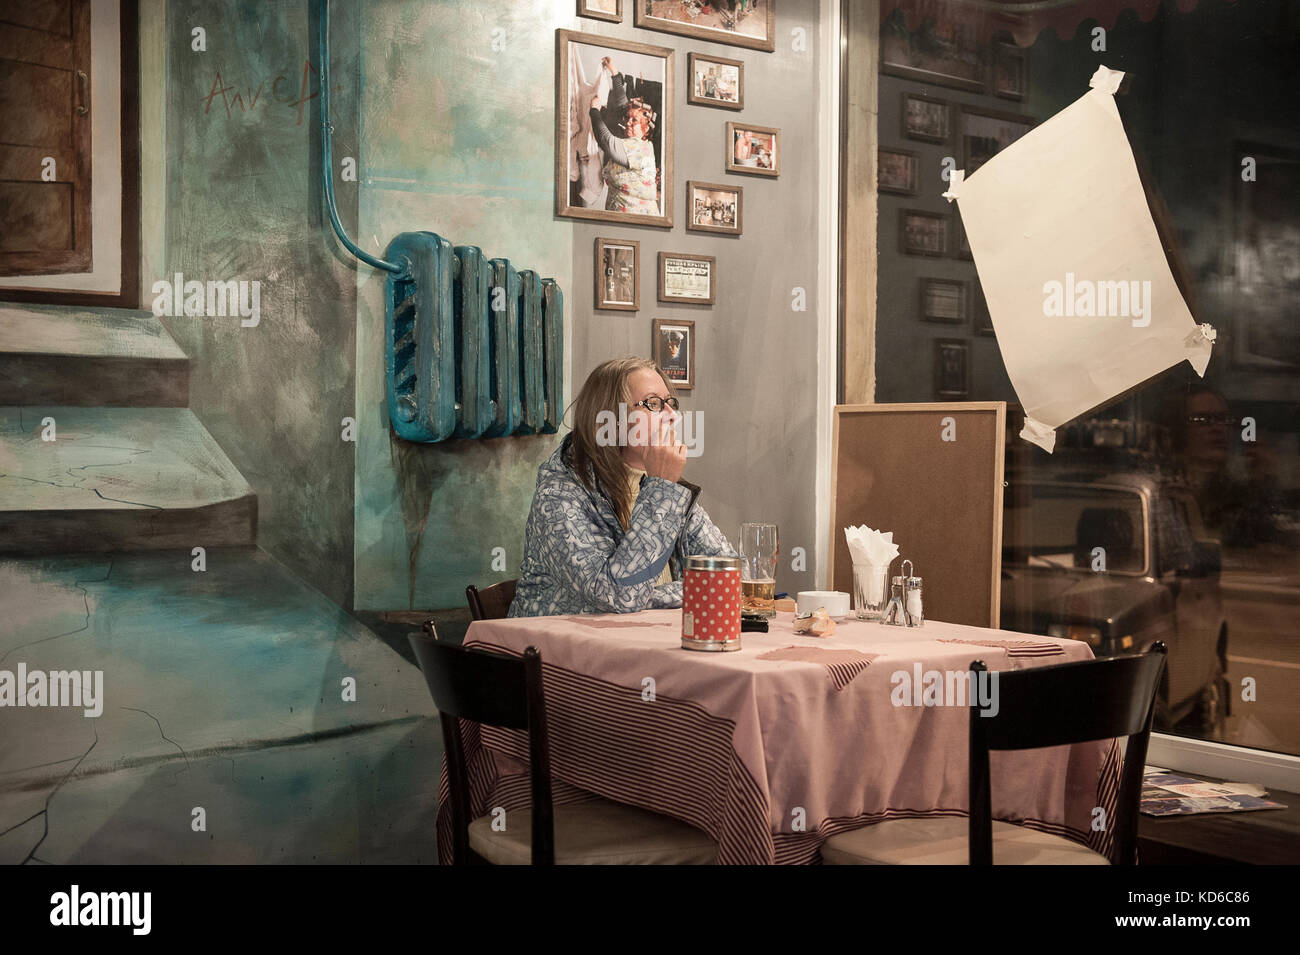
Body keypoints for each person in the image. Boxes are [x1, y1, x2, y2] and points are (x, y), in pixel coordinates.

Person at [510, 357, 734, 616]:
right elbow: (619, 596)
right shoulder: (559, 495)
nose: (673, 416)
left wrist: (649, 595)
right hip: (560, 652)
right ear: (611, 418)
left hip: (645, 644)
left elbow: (729, 576)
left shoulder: (666, 489)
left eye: (671, 404)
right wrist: (661, 489)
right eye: (653, 404)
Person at [588, 58, 659, 215]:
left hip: (638, 216)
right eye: (628, 119)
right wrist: (615, 74)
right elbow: (623, 107)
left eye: (635, 121)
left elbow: (606, 141)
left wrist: (594, 111)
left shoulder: (640, 147)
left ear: (646, 127)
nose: (628, 123)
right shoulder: (633, 140)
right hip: (622, 213)